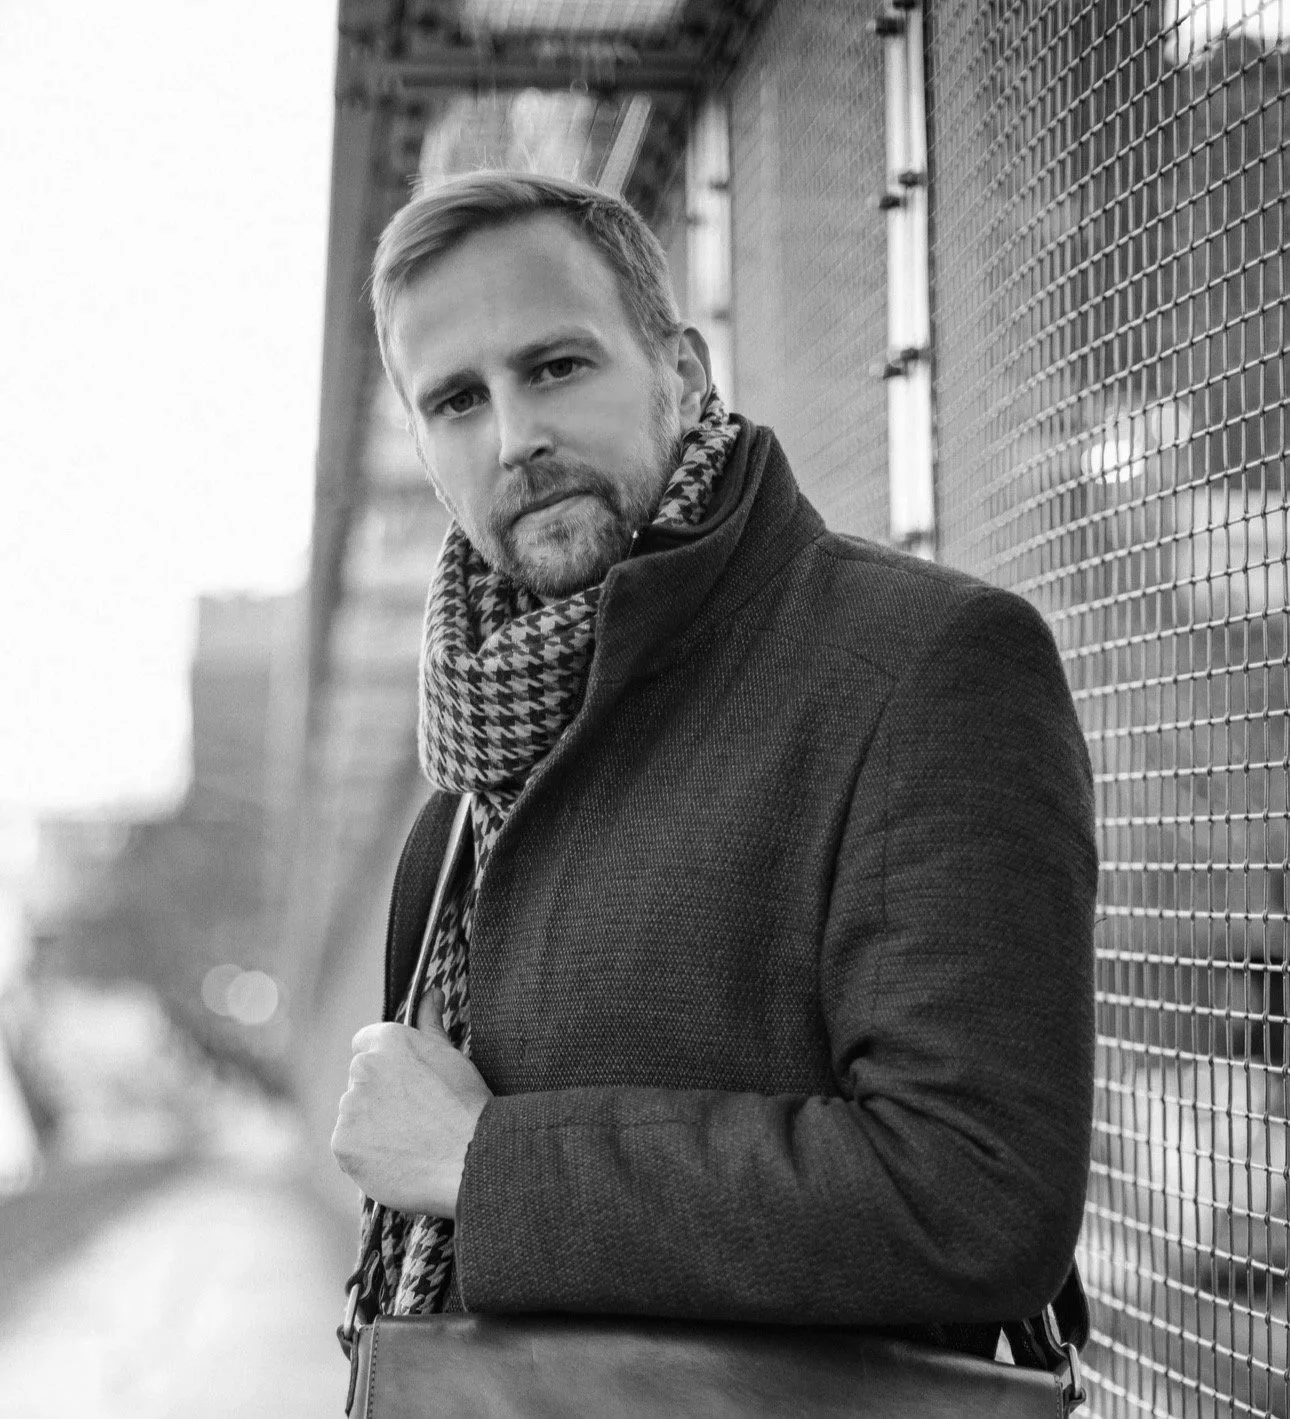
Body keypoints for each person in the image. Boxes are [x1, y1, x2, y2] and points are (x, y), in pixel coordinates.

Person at [330, 170, 1098, 1356]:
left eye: (557, 367)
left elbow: (976, 1192)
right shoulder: (464, 793)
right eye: (456, 402)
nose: (516, 436)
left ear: (682, 374)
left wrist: (487, 1165)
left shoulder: (925, 665)